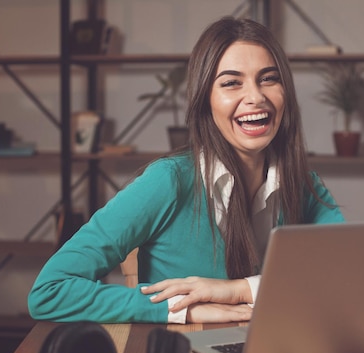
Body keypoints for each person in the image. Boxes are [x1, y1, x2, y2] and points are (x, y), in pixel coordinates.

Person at [28, 16, 345, 324]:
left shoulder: (304, 185)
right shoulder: (168, 181)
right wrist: (179, 310)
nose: (256, 97)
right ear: (205, 100)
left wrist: (237, 290)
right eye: (231, 83)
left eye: (269, 78)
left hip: (272, 350)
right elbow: (50, 291)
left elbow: (350, 278)